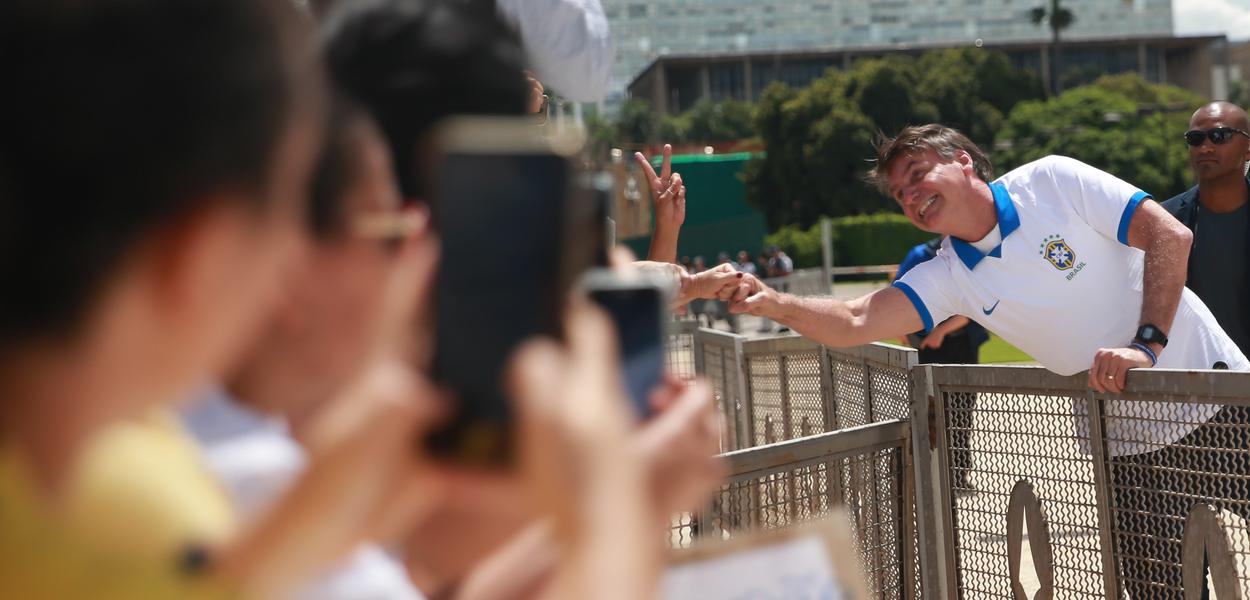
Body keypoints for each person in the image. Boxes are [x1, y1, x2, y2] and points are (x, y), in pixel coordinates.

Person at [721, 124, 1248, 598]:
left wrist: (1146, 345)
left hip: (1218, 397)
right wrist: (771, 301)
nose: (911, 197)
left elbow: (1168, 235)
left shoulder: (1052, 181)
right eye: (900, 194)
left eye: (919, 175)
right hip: (1128, 445)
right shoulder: (949, 272)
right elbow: (857, 318)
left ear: (964, 162)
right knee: (1159, 591)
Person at [895, 237, 989, 490]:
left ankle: (958, 474)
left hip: (961, 345)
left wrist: (942, 331)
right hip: (929, 349)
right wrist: (909, 334)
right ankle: (931, 472)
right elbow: (898, 293)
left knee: (960, 412)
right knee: (930, 412)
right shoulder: (920, 254)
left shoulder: (967, 251)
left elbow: (975, 305)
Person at [1161, 101, 1250, 356]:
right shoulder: (1165, 221)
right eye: (1195, 138)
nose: (1205, 147)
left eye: (1220, 136)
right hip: (1193, 380)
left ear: (1248, 148)